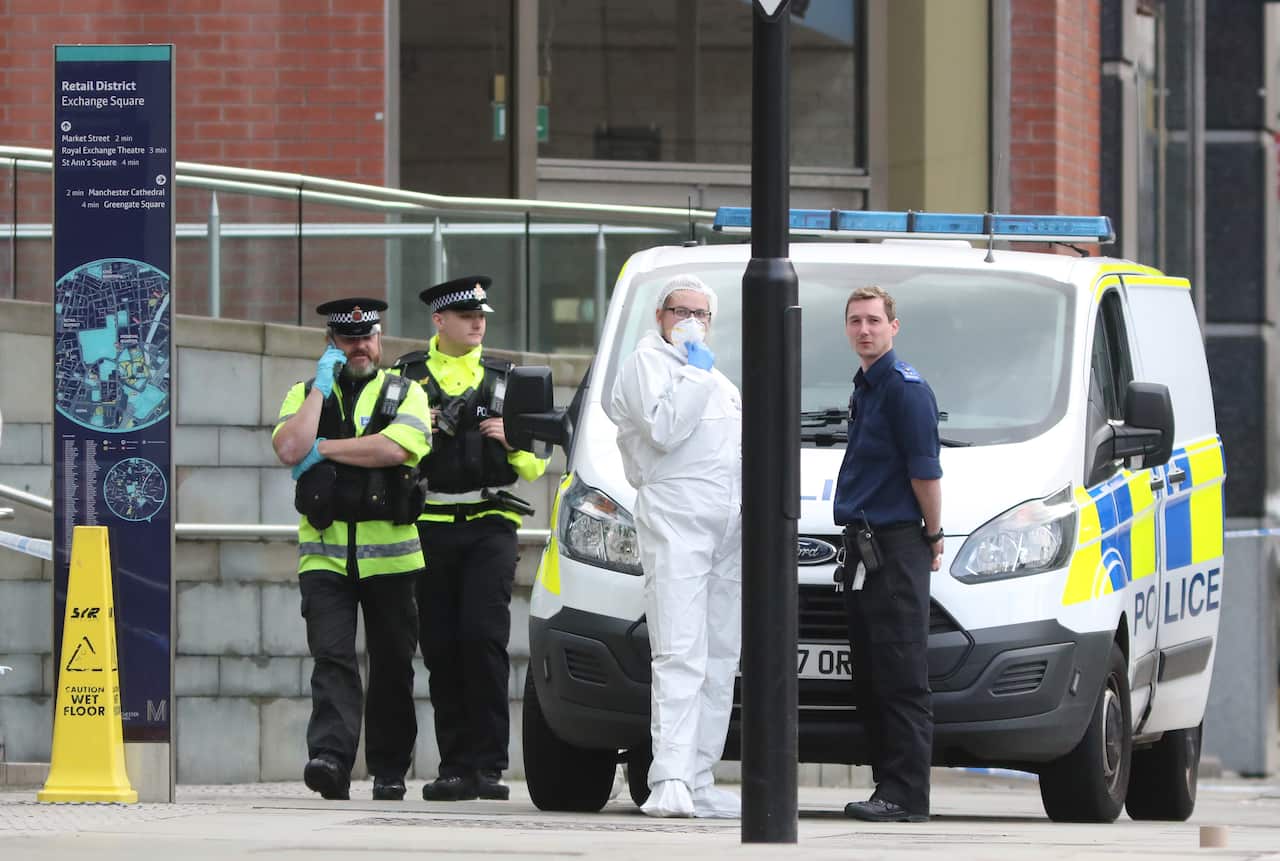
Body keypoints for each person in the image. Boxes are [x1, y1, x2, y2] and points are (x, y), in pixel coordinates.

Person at [391, 275, 549, 802]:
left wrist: (512, 438)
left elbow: (535, 463)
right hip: (429, 526)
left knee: (484, 639)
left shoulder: (506, 378)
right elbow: (389, 451)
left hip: (490, 524)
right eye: (466, 316)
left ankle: (490, 766)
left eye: (482, 316)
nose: (478, 323)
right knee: (440, 645)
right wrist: (420, 432)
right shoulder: (407, 378)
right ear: (440, 320)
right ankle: (454, 766)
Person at [271, 297, 433, 802]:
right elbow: (287, 447)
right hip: (324, 556)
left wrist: (325, 448)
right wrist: (320, 390)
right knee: (332, 659)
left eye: (367, 337)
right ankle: (331, 761)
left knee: (392, 665)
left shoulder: (406, 392)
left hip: (392, 557)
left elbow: (396, 447)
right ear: (331, 345)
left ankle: (389, 770)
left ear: (380, 340)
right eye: (348, 339)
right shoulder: (303, 393)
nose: (359, 347)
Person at [605, 273, 742, 819]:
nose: (690, 321)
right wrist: (697, 372)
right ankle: (669, 779)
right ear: (659, 316)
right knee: (680, 652)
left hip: (724, 526)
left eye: (701, 313)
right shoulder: (647, 364)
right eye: (680, 311)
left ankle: (700, 775)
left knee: (719, 657)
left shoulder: (713, 374)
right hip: (676, 517)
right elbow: (664, 428)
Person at [834, 285, 943, 823]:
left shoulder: (905, 390)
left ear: (893, 327)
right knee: (873, 673)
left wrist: (934, 534)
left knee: (901, 673)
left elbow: (925, 472)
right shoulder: (865, 387)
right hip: (864, 547)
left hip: (897, 546)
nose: (864, 330)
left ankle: (905, 794)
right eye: (855, 321)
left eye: (874, 321)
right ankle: (887, 786)